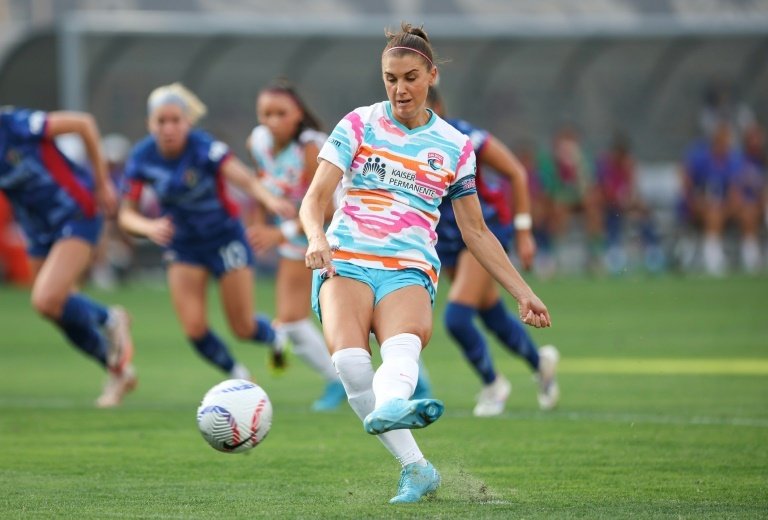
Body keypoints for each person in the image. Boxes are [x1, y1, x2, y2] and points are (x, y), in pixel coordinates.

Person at [299, 23, 551, 504]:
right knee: (351, 365)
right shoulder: (358, 124)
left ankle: (395, 407)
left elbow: (476, 232)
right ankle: (417, 467)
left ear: (432, 76)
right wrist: (315, 237)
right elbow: (313, 198)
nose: (400, 89)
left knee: (401, 351)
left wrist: (524, 291)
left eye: (411, 77)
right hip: (346, 258)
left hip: (409, 266)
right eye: (390, 78)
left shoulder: (456, 148)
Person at [118, 83, 294, 382]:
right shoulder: (142, 157)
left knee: (243, 327)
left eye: (176, 120)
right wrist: (149, 226)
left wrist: (270, 200)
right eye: (161, 121)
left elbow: (245, 180)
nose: (169, 128)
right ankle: (238, 375)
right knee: (194, 328)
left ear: (187, 122)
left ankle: (274, 336)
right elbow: (125, 214)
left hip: (224, 238)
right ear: (150, 124)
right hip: (184, 245)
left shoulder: (204, 148)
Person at [427, 87, 560, 417]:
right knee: (491, 314)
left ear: (438, 105)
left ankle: (493, 384)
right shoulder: (401, 143)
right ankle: (539, 362)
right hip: (446, 242)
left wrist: (524, 230)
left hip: (482, 232)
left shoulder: (465, 137)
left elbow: (515, 172)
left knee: (457, 319)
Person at [0, 106, 136, 407]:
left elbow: (84, 123)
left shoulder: (16, 125)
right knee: (54, 309)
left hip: (75, 211)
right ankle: (119, 371)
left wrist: (102, 183)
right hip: (38, 230)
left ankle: (110, 318)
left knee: (46, 298)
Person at [245, 80, 346, 411]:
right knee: (289, 321)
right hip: (301, 234)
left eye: (280, 113)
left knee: (359, 313)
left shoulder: (310, 148)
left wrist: (279, 232)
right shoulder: (257, 141)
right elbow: (262, 185)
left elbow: (327, 206)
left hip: (341, 229)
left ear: (297, 114)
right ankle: (338, 381)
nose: (272, 120)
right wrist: (259, 224)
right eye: (266, 113)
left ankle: (412, 379)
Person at [596, 132, 664, 274]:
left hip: (625, 205)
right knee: (613, 214)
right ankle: (613, 250)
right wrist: (623, 201)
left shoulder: (628, 166)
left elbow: (633, 190)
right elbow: (606, 192)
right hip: (610, 207)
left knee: (644, 213)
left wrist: (634, 202)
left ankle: (652, 250)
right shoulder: (605, 166)